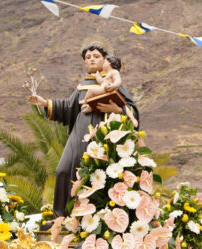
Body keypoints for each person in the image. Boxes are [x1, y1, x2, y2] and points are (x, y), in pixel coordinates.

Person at [29, 44, 139, 217]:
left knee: (98, 176)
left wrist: (116, 110)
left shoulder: (111, 82)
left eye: (96, 56)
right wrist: (45, 103)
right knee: (63, 170)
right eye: (88, 57)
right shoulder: (83, 86)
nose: (92, 59)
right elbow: (68, 107)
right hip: (79, 134)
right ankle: (63, 216)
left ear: (104, 60)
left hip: (103, 135)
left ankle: (95, 218)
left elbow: (132, 109)